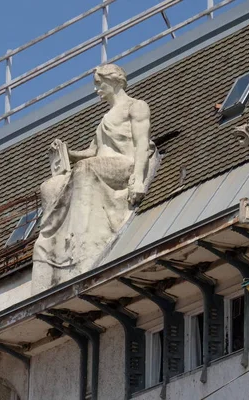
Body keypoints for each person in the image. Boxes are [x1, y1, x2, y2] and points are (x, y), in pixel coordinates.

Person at [32, 64, 158, 292]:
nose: (96, 89)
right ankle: (50, 247)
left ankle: (76, 242)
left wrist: (138, 179)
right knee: (50, 187)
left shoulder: (136, 106)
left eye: (99, 83)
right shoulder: (104, 119)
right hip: (100, 166)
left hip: (124, 167)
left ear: (115, 82)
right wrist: (67, 154)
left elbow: (141, 144)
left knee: (85, 169)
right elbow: (92, 153)